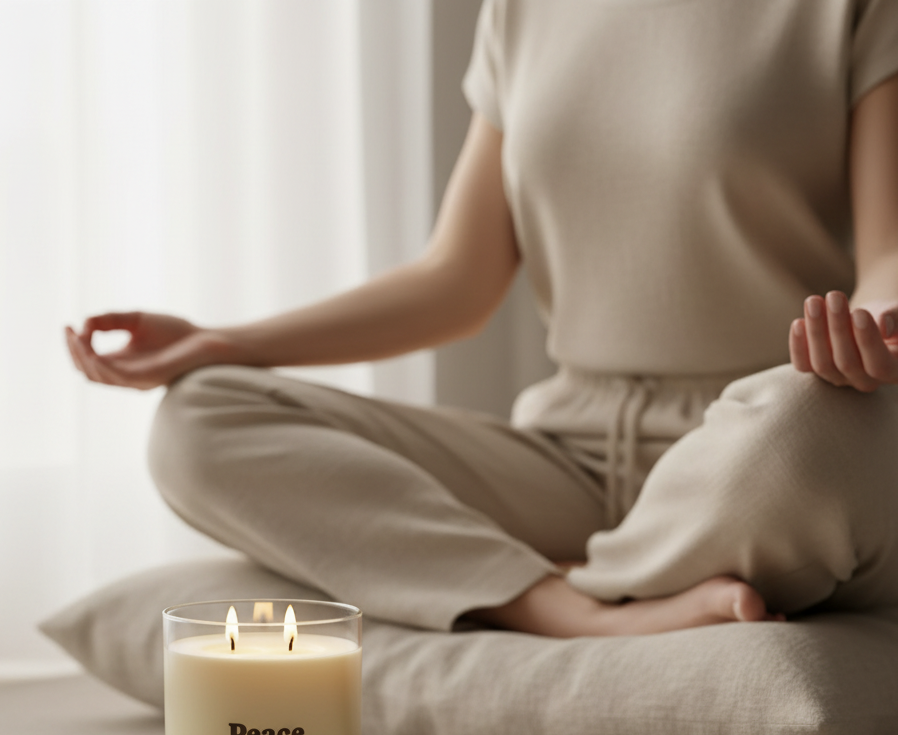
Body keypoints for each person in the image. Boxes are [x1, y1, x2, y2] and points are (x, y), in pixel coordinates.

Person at [66, 0, 898, 639]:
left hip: (756, 442)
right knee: (201, 415)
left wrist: (873, 329)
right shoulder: (521, 10)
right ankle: (573, 608)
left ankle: (572, 573)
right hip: (567, 457)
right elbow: (455, 280)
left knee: (811, 428)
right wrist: (226, 342)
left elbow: (887, 258)